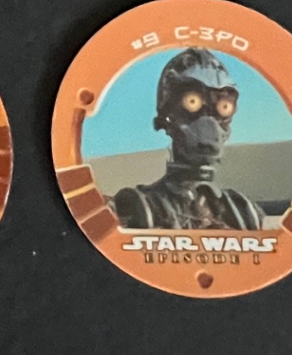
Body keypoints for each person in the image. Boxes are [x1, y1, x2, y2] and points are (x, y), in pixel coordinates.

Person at [113, 46, 269, 230]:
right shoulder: (139, 208)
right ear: (167, 116)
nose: (208, 125)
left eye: (223, 107)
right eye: (192, 102)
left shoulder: (242, 212)